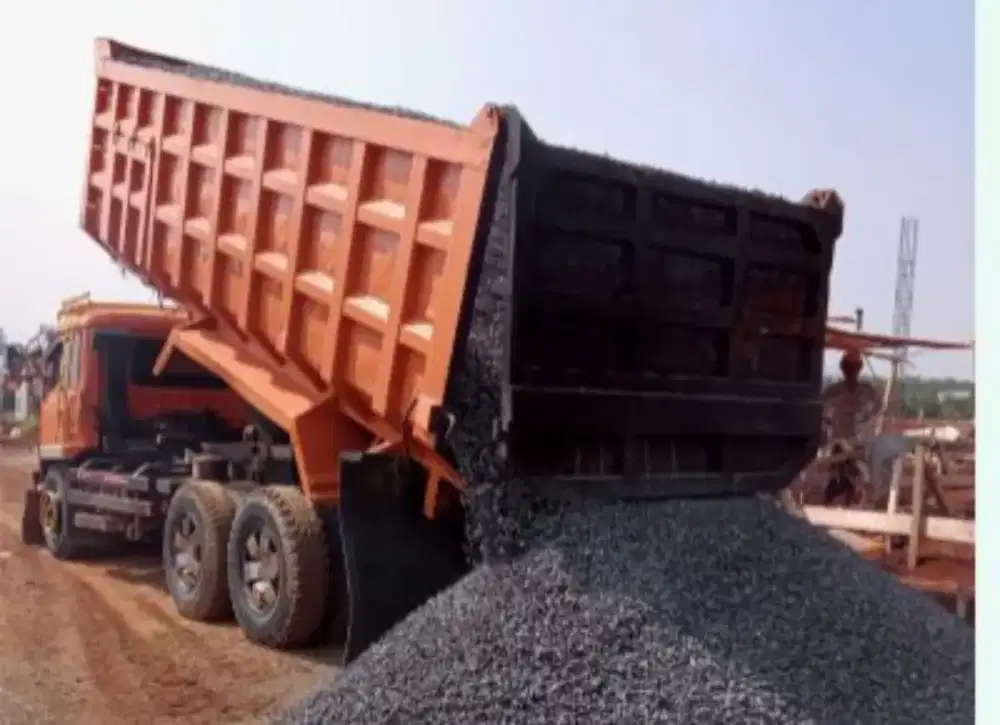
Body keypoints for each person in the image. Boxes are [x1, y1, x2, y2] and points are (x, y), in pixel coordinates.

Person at [821, 348, 881, 506]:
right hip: (838, 441)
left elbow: (877, 405)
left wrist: (865, 418)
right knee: (839, 473)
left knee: (856, 471)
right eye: (849, 367)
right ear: (843, 368)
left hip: (854, 440)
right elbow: (819, 407)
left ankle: (853, 499)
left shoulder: (864, 390)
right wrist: (827, 420)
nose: (851, 371)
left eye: (853, 368)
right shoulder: (835, 390)